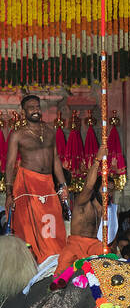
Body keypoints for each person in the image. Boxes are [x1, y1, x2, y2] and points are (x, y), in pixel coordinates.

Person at [5, 94, 68, 264]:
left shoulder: (50, 131)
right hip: (26, 184)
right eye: (31, 107)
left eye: (37, 107)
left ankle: (53, 262)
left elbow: (55, 159)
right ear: (23, 111)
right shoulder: (18, 135)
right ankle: (31, 264)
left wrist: (63, 185)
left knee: (52, 222)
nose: (35, 110)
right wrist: (9, 193)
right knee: (28, 227)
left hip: (47, 183)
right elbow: (10, 165)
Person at [55, 138, 112, 272]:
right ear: (97, 189)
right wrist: (97, 160)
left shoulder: (104, 209)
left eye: (111, 190)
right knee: (60, 279)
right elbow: (89, 185)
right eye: (105, 189)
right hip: (76, 246)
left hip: (95, 246)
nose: (108, 193)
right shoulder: (83, 203)